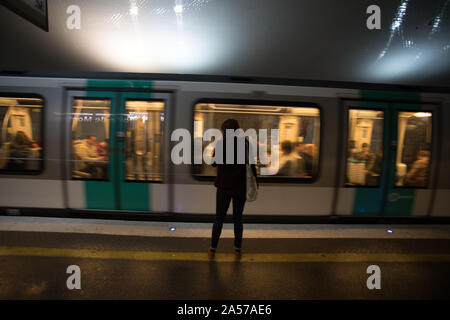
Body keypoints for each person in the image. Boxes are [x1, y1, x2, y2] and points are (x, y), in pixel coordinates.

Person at [208, 119, 257, 260]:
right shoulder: (246, 143)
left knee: (219, 218)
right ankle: (237, 250)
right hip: (240, 188)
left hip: (224, 187)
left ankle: (212, 249)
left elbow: (213, 164)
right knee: (237, 219)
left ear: (224, 130)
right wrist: (255, 181)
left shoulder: (220, 143)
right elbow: (252, 164)